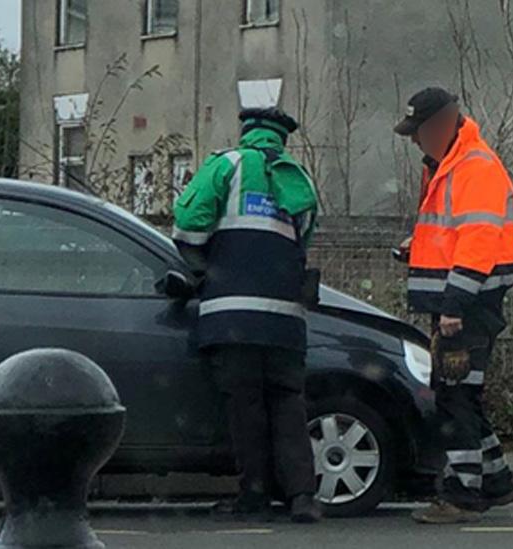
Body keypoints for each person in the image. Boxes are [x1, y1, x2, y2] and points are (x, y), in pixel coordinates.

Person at [172, 107, 321, 523]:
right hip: (285, 319)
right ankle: (302, 496)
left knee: (246, 408)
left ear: (247, 133)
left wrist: (207, 259)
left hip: (232, 315)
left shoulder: (228, 165)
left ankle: (254, 496)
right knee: (288, 403)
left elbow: (187, 224)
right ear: (281, 140)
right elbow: (302, 240)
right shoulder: (299, 180)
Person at [392, 87, 513, 524]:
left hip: (467, 304)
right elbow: (454, 234)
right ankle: (496, 481)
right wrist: (418, 248)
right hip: (465, 299)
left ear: (443, 125)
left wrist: (454, 305)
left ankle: (463, 494)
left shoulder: (473, 168)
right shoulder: (453, 165)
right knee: (462, 392)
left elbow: (478, 241)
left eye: (419, 132)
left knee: (454, 395)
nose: (416, 141)